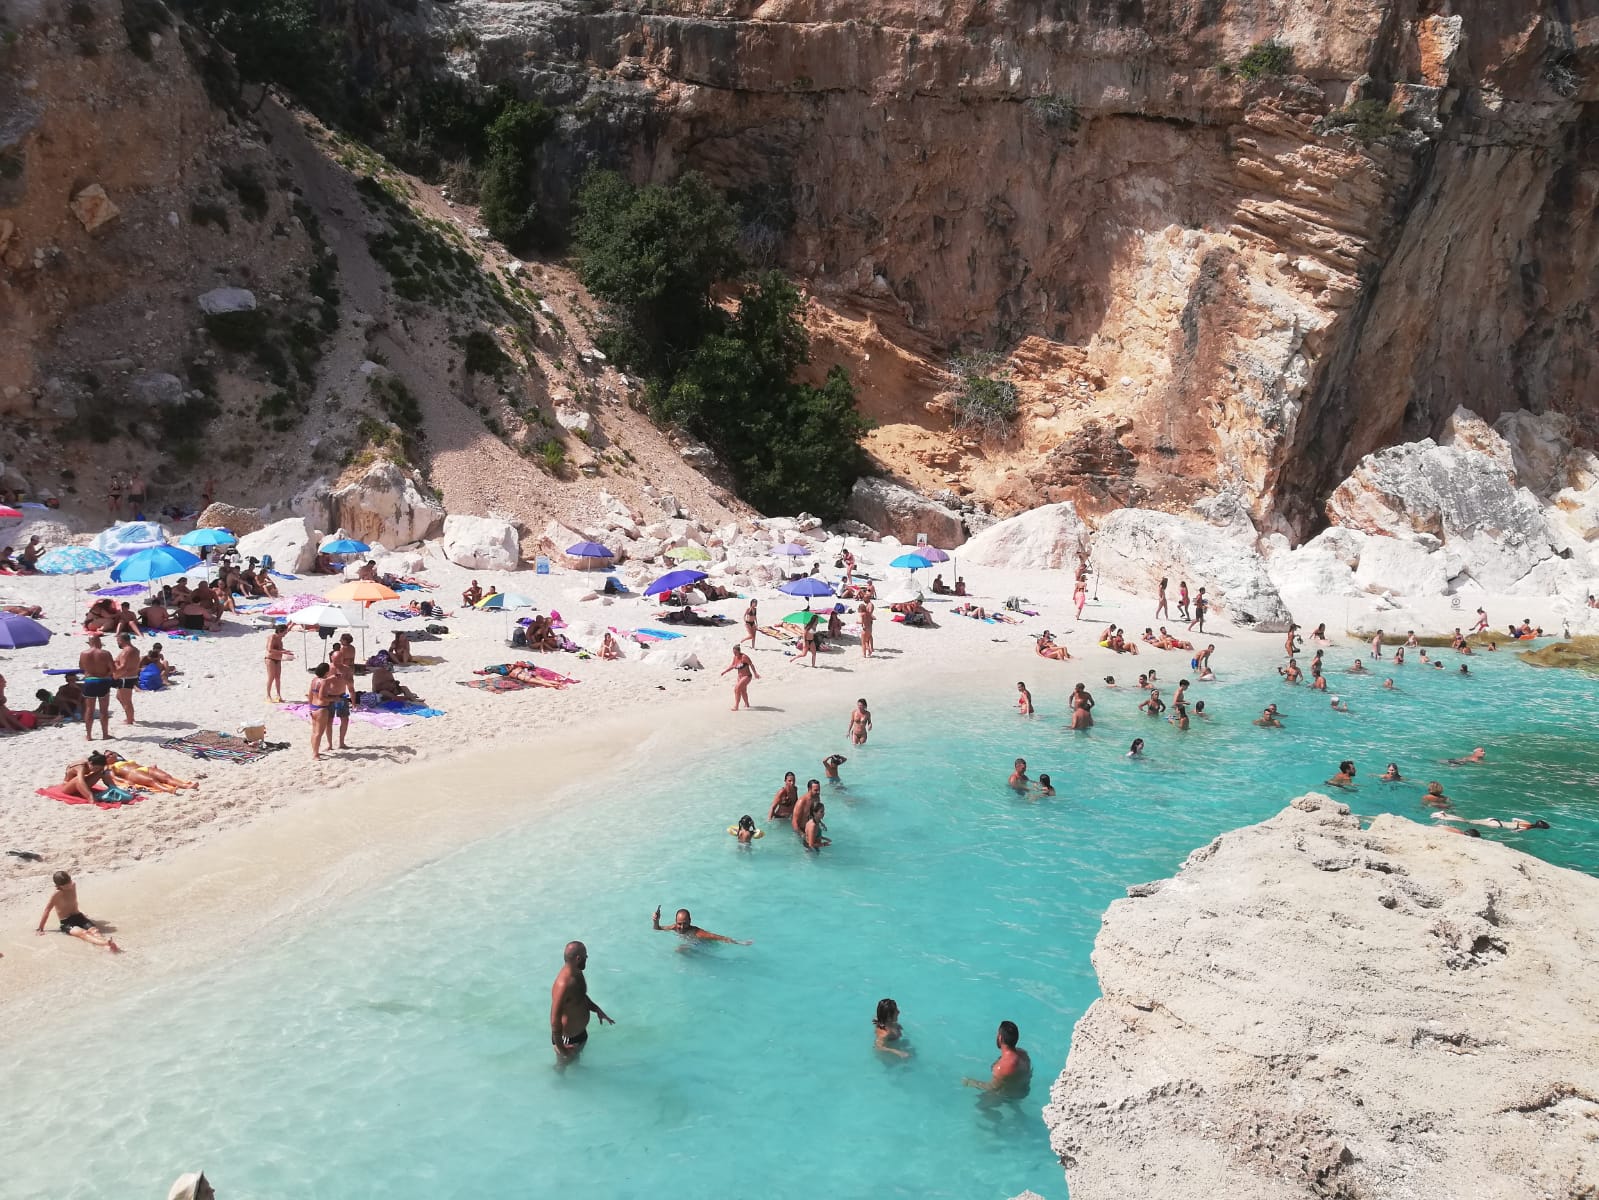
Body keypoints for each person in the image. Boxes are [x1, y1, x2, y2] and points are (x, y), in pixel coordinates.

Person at [550, 940, 613, 1065]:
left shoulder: (577, 972)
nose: (587, 958)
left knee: (575, 1062)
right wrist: (561, 1047)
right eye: (586, 956)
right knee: (562, 1067)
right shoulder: (563, 985)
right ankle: (559, 1081)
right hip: (566, 1039)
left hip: (580, 1033)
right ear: (578, 958)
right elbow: (554, 1019)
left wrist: (596, 1009)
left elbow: (580, 996)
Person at [35, 870, 120, 952]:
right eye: (66, 885)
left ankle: (107, 946)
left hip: (78, 916)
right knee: (83, 933)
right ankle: (105, 943)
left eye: (69, 882)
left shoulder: (73, 885)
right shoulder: (57, 894)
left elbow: (72, 901)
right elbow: (47, 910)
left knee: (95, 931)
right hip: (67, 922)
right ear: (58, 886)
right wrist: (40, 928)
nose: (69, 885)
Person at [963, 1021, 1032, 1097]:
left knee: (980, 1105)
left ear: (1000, 1037)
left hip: (1011, 1096)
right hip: (1024, 1091)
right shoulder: (1023, 1054)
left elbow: (992, 1087)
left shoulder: (1002, 1067)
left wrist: (970, 1082)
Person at [103, 752, 198, 793]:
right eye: (107, 756)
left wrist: (151, 767)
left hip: (144, 768)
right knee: (152, 780)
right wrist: (126, 781)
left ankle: (186, 786)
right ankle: (167, 790)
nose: (111, 755)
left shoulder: (124, 761)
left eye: (111, 753)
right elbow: (114, 777)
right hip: (132, 773)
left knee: (166, 777)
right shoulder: (110, 767)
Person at [78, 635, 115, 741]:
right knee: (103, 710)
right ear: (99, 641)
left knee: (89, 709)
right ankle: (105, 734)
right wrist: (106, 674)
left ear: (89, 642)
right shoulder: (105, 653)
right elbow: (112, 669)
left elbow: (81, 667)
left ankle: (89, 736)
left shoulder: (83, 654)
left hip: (90, 681)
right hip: (103, 681)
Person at [652, 906, 749, 944]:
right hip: (691, 944)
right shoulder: (674, 927)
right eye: (679, 924)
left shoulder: (698, 933)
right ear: (676, 921)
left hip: (702, 945)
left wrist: (740, 942)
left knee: (680, 950)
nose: (681, 927)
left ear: (690, 921)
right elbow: (657, 929)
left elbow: (719, 937)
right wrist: (656, 921)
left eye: (685, 924)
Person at [307, 663, 335, 761]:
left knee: (314, 732)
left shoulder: (314, 680)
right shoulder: (324, 682)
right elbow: (322, 697)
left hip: (314, 707)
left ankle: (315, 751)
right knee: (319, 733)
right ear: (326, 671)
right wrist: (334, 699)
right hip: (321, 708)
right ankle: (315, 754)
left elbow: (310, 694)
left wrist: (310, 707)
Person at [112, 632, 139, 726]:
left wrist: (115, 674)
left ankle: (130, 719)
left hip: (126, 677)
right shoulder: (135, 650)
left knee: (126, 700)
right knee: (119, 697)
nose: (117, 643)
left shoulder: (126, 651)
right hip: (132, 676)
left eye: (118, 641)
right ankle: (130, 716)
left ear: (121, 640)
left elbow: (124, 667)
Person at [722, 646, 758, 711]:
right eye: (733, 652)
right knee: (743, 691)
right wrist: (725, 671)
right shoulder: (735, 657)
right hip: (740, 677)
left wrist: (755, 673)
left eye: (735, 652)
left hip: (747, 676)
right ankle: (747, 704)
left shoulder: (744, 657)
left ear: (739, 651)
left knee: (737, 689)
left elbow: (751, 664)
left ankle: (736, 706)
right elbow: (732, 666)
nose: (734, 653)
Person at [1432, 812, 1550, 832]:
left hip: (1495, 820)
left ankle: (1445, 815)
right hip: (1496, 825)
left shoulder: (1526, 822)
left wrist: (1513, 825)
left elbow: (1514, 819)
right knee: (1469, 823)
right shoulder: (1527, 828)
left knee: (1469, 821)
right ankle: (1444, 817)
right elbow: (1514, 832)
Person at [264, 625, 294, 703]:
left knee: (278, 678)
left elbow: (279, 649)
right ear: (280, 631)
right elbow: (269, 649)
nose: (286, 633)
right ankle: (268, 695)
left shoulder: (280, 640)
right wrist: (282, 652)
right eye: (285, 632)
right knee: (271, 677)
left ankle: (278, 695)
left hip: (278, 659)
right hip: (270, 659)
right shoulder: (272, 637)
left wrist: (287, 652)